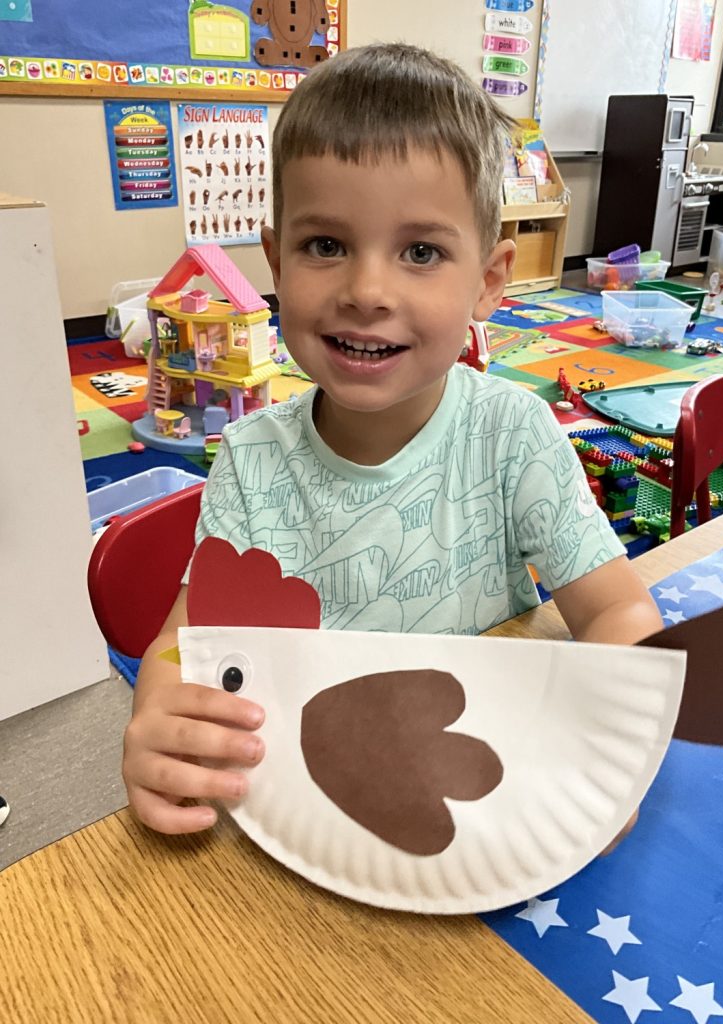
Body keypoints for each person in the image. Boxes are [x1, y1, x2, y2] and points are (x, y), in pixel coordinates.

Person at [123, 43, 663, 841]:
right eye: (326, 245)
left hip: (486, 805)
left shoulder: (510, 436)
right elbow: (185, 642)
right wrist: (162, 705)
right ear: (276, 261)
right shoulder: (249, 460)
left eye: (420, 252)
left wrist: (612, 738)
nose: (367, 292)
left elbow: (619, 608)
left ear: (488, 280)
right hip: (309, 815)